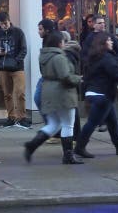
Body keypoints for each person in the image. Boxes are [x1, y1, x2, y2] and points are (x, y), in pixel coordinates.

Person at [23, 31, 83, 165]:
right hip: (62, 94)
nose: (64, 44)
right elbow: (65, 77)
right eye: (63, 41)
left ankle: (32, 145)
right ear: (59, 43)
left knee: (53, 124)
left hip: (48, 91)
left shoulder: (44, 56)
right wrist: (78, 79)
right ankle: (68, 156)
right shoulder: (59, 57)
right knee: (68, 124)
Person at [74, 31, 118, 158]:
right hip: (102, 95)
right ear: (103, 43)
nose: (112, 42)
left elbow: (88, 77)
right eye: (109, 40)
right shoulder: (107, 58)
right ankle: (80, 147)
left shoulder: (94, 58)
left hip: (95, 94)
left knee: (112, 122)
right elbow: (117, 75)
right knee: (92, 123)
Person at [0, 12, 30, 129]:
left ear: (9, 21)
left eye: (5, 23)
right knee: (7, 94)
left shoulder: (18, 32)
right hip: (3, 68)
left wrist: (16, 61)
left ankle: (22, 117)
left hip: (17, 67)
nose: (4, 26)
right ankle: (11, 117)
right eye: (2, 24)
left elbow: (24, 49)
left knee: (20, 92)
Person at [33, 18, 57, 118]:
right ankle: (51, 123)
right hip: (46, 76)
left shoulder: (53, 40)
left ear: (47, 30)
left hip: (49, 77)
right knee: (39, 99)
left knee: (38, 98)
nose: (39, 32)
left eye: (40, 29)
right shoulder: (46, 40)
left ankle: (50, 123)